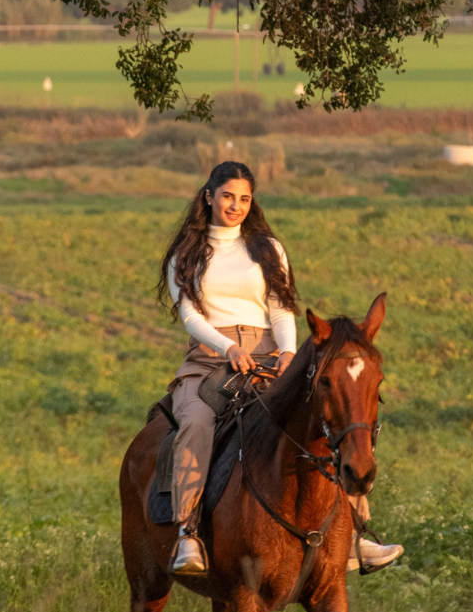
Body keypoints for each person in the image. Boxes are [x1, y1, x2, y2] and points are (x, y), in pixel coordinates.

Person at [158, 160, 404, 576]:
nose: (235, 206)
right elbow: (190, 316)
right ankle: (187, 533)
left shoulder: (267, 249)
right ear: (209, 196)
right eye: (227, 197)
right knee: (198, 424)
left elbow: (282, 307)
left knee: (324, 419)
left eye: (244, 199)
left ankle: (355, 535)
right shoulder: (186, 254)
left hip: (270, 355)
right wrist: (228, 347)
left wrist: (289, 353)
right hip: (208, 358)